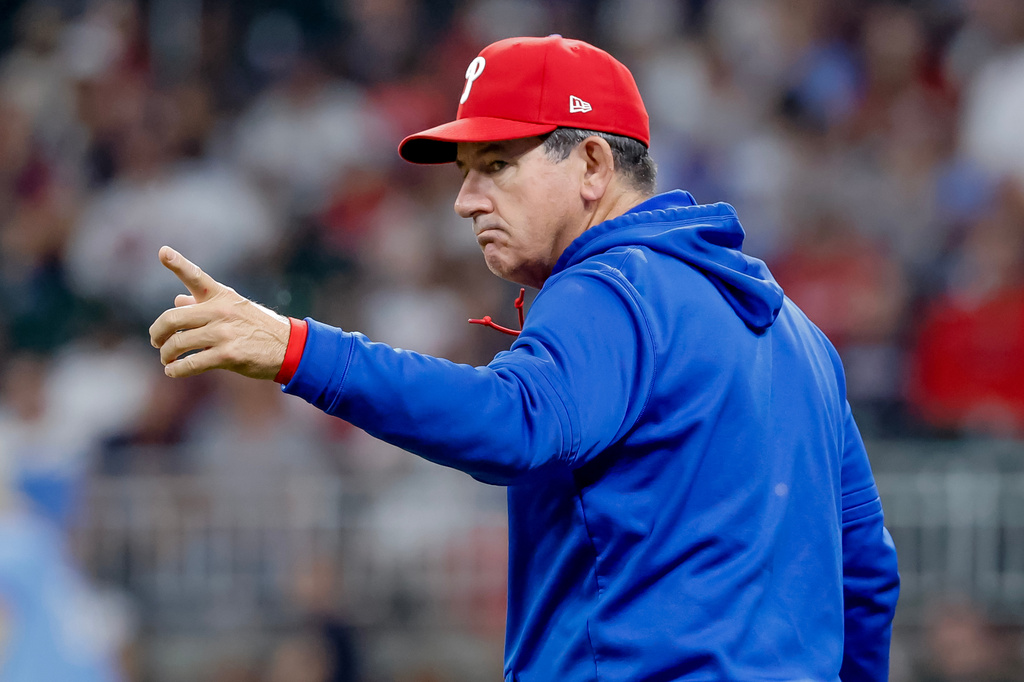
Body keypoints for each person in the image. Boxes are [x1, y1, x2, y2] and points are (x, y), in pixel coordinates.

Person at [150, 36, 900, 682]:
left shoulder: (612, 286)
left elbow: (514, 421)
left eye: (497, 165)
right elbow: (865, 574)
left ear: (594, 165)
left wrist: (298, 350)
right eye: (464, 171)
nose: (466, 200)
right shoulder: (800, 335)